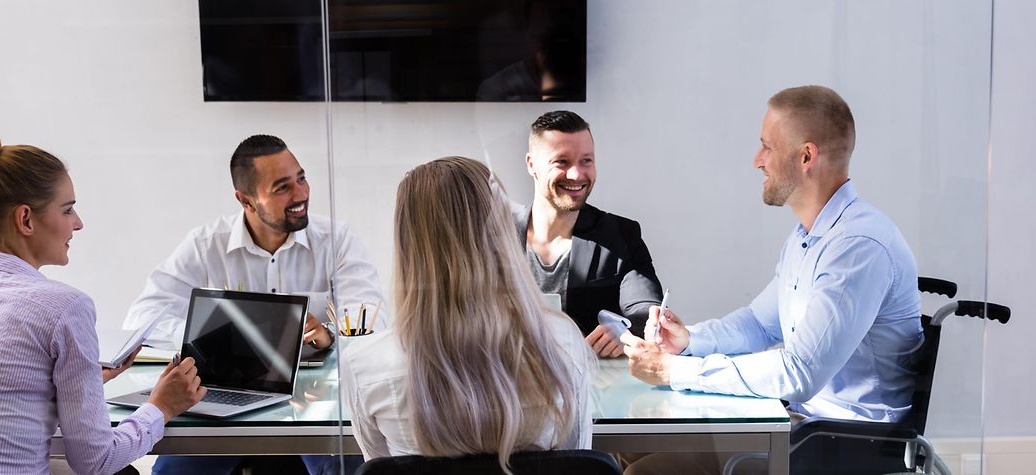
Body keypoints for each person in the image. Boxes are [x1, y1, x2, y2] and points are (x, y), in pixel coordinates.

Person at [622, 85, 922, 474]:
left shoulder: (857, 247)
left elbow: (800, 373)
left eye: (767, 147)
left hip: (843, 446)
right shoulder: (809, 237)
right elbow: (760, 322)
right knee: (633, 449)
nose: (757, 160)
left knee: (644, 472)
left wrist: (674, 371)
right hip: (803, 427)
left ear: (806, 156)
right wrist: (690, 340)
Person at [0, 138, 206, 475]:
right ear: (26, 220)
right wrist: (161, 407)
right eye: (67, 209)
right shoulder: (64, 306)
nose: (78, 223)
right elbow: (97, 461)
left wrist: (76, 383)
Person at [124, 134, 384, 475]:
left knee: (349, 465)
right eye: (283, 187)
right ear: (245, 200)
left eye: (301, 179)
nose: (301, 194)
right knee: (175, 472)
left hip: (315, 402)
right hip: (225, 395)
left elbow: (374, 325)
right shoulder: (205, 246)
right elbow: (142, 318)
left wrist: (331, 335)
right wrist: (225, 338)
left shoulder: (337, 241)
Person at [341, 156, 593, 470]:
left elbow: (381, 468)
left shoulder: (364, 364)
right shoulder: (561, 343)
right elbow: (577, 461)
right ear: (501, 235)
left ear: (409, 244)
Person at [515, 110, 663, 358]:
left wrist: (625, 330)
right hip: (505, 385)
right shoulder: (492, 236)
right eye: (561, 162)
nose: (576, 174)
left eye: (586, 161)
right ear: (532, 165)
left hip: (593, 386)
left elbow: (645, 309)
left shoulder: (621, 235)